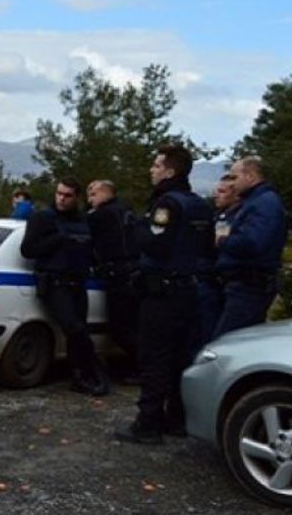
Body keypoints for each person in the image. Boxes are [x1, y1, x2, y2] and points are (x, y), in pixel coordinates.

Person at [115, 144, 213, 445]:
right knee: (182, 357)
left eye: (157, 165)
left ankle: (148, 425)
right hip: (189, 290)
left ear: (170, 170)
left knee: (154, 357)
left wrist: (136, 227)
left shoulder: (167, 204)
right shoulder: (198, 204)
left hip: (162, 292)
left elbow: (156, 244)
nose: (152, 169)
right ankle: (177, 419)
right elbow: (207, 248)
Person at [20, 177, 110, 397]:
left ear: (76, 197)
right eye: (59, 193)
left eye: (67, 195)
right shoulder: (43, 218)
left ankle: (80, 376)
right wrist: (57, 240)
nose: (61, 199)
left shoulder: (83, 221)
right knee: (75, 329)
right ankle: (92, 374)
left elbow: (93, 251)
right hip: (54, 282)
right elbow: (28, 249)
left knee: (79, 330)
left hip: (77, 282)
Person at [211, 156, 287, 340]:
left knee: (226, 343)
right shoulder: (254, 202)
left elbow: (253, 243)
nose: (232, 184)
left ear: (251, 177)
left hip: (250, 286)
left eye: (235, 178)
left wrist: (222, 240)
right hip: (242, 285)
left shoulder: (264, 203)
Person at [86, 179, 140, 363]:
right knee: (134, 325)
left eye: (93, 194)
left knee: (120, 327)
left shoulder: (100, 216)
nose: (90, 200)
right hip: (136, 272)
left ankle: (142, 368)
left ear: (104, 192)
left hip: (117, 275)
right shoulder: (127, 211)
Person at [197, 173, 241, 348]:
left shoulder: (236, 218)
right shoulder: (218, 215)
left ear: (236, 194)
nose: (216, 195)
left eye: (222, 191)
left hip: (218, 282)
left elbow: (218, 245)